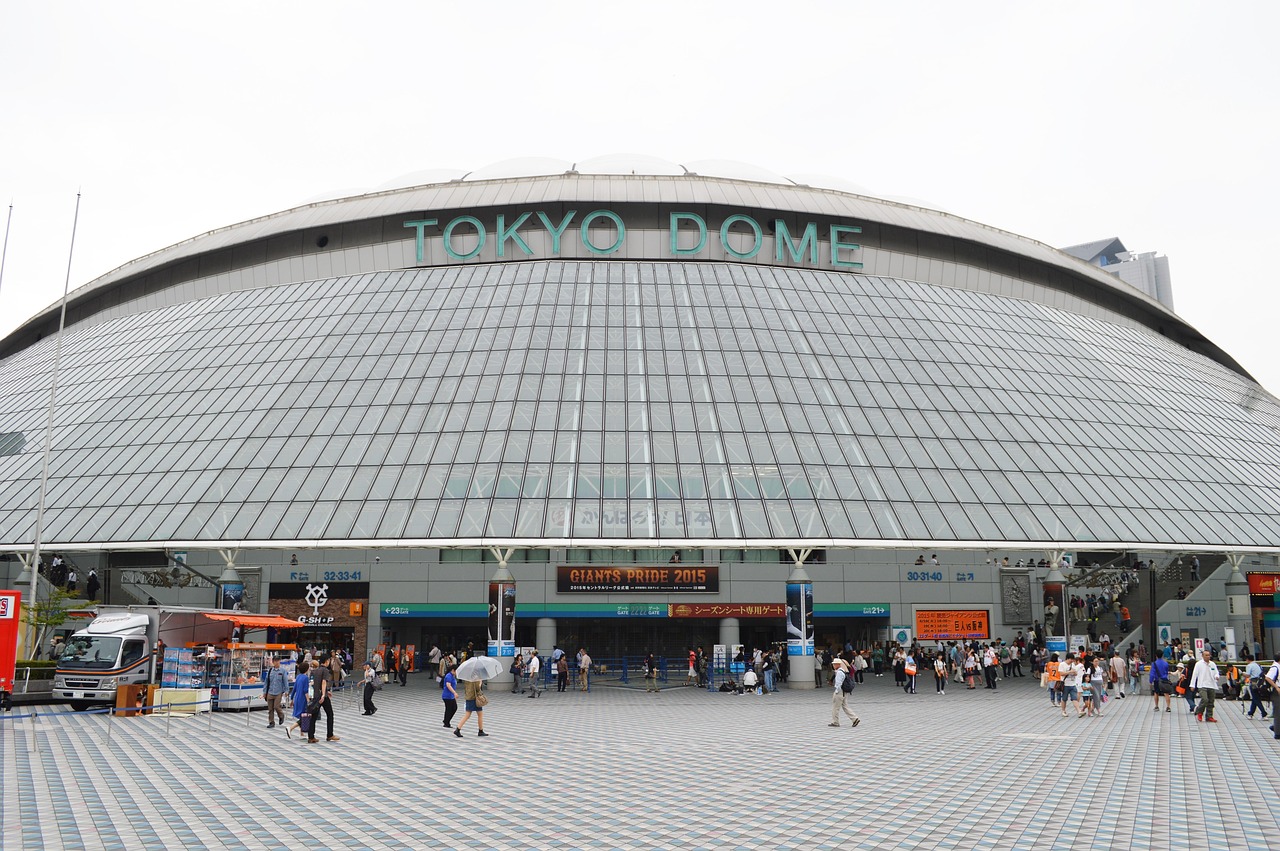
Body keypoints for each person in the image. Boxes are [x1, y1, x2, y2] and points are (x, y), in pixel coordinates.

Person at [307, 652, 339, 744]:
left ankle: (311, 736)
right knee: (330, 714)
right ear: (326, 661)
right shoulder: (325, 670)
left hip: (315, 695)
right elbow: (324, 682)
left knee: (314, 716)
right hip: (322, 696)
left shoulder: (315, 670)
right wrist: (324, 694)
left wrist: (324, 691)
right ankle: (330, 734)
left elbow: (314, 683)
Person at [1190, 648, 1221, 722]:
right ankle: (1199, 712)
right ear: (1202, 656)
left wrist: (1216, 676)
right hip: (1202, 685)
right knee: (1204, 699)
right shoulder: (1198, 664)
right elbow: (1195, 675)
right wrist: (1192, 685)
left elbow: (1216, 672)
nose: (1208, 657)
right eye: (1206, 655)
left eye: (1209, 655)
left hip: (1211, 684)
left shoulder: (1212, 664)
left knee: (1211, 701)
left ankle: (1209, 716)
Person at [828, 658, 860, 728]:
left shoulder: (839, 672)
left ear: (838, 664)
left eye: (834, 664)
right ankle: (854, 718)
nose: (833, 665)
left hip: (840, 692)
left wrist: (836, 691)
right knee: (845, 706)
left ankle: (835, 722)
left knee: (835, 707)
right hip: (844, 692)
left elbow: (838, 683)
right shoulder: (843, 671)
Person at [285, 661, 310, 739]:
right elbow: (305, 690)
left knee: (301, 715)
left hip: (297, 698)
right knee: (304, 716)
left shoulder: (298, 676)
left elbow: (294, 688)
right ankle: (291, 728)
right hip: (303, 699)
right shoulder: (306, 678)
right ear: (307, 669)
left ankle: (302, 733)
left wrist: (292, 698)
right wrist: (308, 700)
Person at [262, 656, 289, 728]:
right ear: (273, 662)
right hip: (270, 692)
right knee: (270, 709)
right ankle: (271, 722)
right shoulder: (270, 671)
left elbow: (285, 681)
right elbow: (266, 682)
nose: (277, 662)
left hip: (278, 692)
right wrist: (264, 692)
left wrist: (286, 690)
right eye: (275, 661)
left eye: (278, 661)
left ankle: (281, 715)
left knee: (277, 706)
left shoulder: (282, 671)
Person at [1245, 655, 1270, 720]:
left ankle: (1264, 714)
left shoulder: (1249, 666)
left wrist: (1242, 673)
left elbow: (1248, 675)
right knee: (1255, 698)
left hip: (1253, 682)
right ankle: (1250, 713)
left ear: (1247, 659)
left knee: (1256, 699)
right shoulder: (1258, 665)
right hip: (1260, 683)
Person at [1059, 653, 1083, 718]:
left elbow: (1076, 673)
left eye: (1073, 659)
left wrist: (1074, 672)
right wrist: (1069, 672)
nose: (1072, 661)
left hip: (1073, 684)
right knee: (1064, 698)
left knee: (1074, 698)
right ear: (1067, 658)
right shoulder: (1062, 664)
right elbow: (1061, 673)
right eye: (1071, 659)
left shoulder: (1073, 664)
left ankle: (1079, 711)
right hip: (1065, 684)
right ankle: (1063, 711)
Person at [441, 662, 459, 728]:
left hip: (451, 696)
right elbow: (448, 685)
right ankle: (446, 722)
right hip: (447, 696)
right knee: (449, 709)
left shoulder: (452, 676)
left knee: (454, 708)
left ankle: (446, 720)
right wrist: (454, 693)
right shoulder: (448, 676)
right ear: (453, 670)